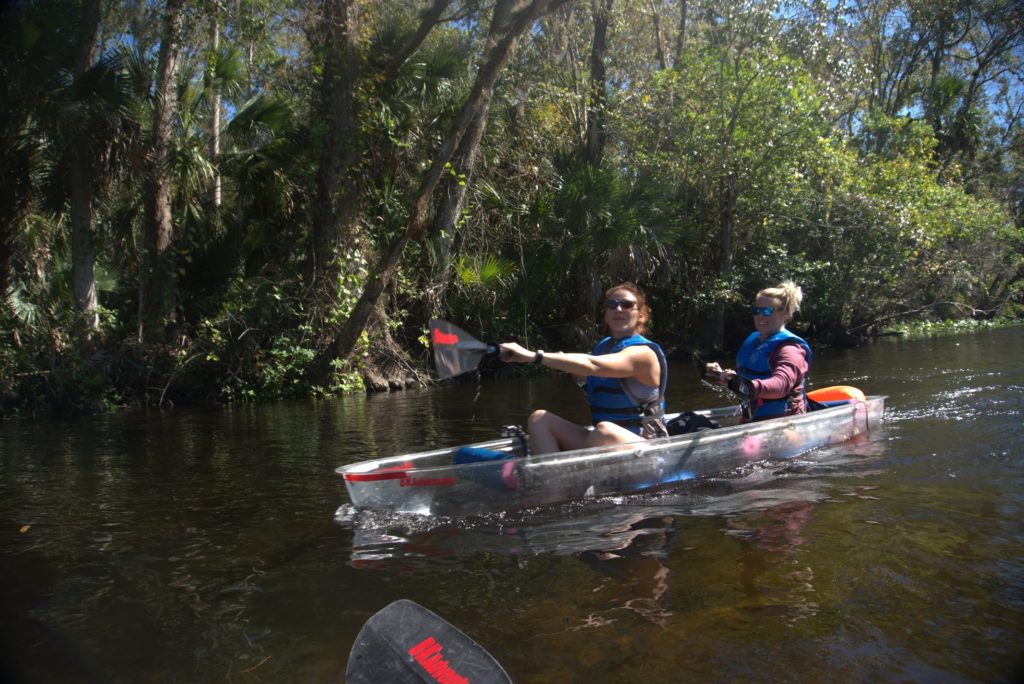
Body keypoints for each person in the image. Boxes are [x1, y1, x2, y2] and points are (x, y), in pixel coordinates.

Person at [499, 282, 669, 455]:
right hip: (602, 442)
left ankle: (567, 471)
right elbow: (591, 376)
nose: (618, 309)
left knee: (604, 431)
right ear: (606, 315)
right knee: (539, 419)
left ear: (641, 315)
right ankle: (550, 478)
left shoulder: (644, 354)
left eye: (627, 305)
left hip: (648, 450)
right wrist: (574, 372)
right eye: (612, 305)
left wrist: (534, 356)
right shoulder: (604, 348)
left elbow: (592, 365)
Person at [704, 281, 813, 421]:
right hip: (753, 420)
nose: (760, 316)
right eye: (757, 311)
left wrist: (746, 386)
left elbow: (781, 385)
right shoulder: (757, 342)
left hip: (784, 423)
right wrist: (725, 376)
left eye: (768, 311)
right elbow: (752, 378)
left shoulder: (789, 349)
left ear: (785, 313)